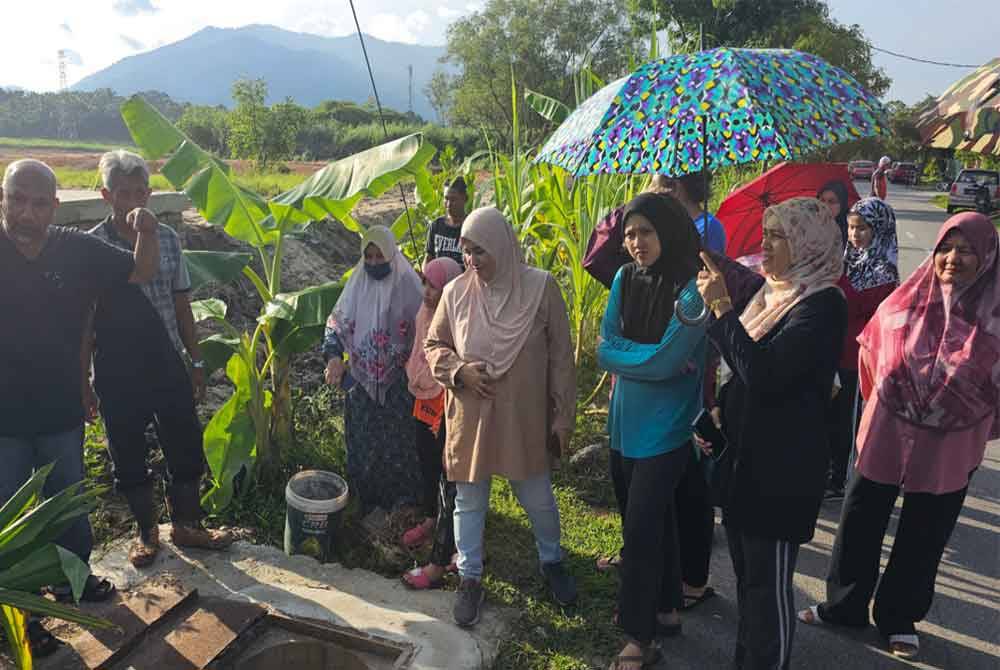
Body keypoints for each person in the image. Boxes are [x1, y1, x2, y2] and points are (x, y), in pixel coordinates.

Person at [799, 212, 1000, 660]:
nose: (953, 258)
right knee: (860, 516)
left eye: (966, 250)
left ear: (987, 257)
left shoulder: (995, 320)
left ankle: (898, 617)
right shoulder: (903, 302)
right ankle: (843, 605)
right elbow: (870, 357)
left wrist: (964, 423)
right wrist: (893, 404)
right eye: (946, 248)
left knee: (925, 530)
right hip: (887, 429)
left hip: (951, 445)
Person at [0, 158, 159, 655]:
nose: (26, 213)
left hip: (61, 412)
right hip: (3, 421)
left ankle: (72, 581)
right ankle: (23, 617)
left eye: (38, 203)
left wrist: (147, 230)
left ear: (55, 207)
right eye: (16, 200)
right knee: (9, 522)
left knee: (69, 507)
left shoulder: (75, 249)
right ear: (2, 198)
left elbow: (140, 270)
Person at [696, 197, 847, 670]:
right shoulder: (771, 294)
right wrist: (719, 406)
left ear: (808, 243)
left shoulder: (822, 304)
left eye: (778, 236)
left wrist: (723, 307)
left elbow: (764, 373)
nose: (766, 244)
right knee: (747, 583)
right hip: (744, 460)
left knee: (768, 589)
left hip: (781, 471)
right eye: (765, 233)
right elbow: (738, 366)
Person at [425, 207, 576, 627]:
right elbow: (433, 346)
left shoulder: (541, 288)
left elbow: (562, 358)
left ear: (502, 247)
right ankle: (469, 577)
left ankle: (552, 561)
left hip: (522, 417)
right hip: (471, 416)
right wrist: (460, 371)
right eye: (466, 251)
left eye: (480, 251)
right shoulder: (455, 292)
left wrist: (562, 417)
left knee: (537, 497)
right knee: (469, 500)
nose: (471, 260)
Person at [84, 150, 233, 568]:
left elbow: (182, 304)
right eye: (122, 193)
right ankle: (147, 533)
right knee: (127, 451)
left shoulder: (167, 238)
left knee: (184, 441)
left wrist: (196, 361)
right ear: (106, 195)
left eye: (139, 192)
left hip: (166, 359)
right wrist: (84, 380)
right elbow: (86, 320)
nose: (133, 201)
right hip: (116, 364)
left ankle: (187, 524)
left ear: (149, 193)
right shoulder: (92, 245)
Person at [597, 193, 707, 670]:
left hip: (667, 428)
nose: (635, 242)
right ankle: (666, 609)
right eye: (629, 233)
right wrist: (649, 357)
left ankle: (638, 636)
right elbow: (605, 346)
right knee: (648, 519)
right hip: (625, 422)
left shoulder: (694, 292)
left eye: (645, 232)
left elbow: (665, 363)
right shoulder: (625, 278)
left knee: (641, 529)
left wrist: (632, 356)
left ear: (669, 231)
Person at [323, 226, 424, 513]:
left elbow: (427, 329)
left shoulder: (409, 284)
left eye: (380, 256)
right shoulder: (357, 284)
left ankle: (404, 507)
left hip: (400, 384)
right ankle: (365, 503)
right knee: (364, 443)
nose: (374, 262)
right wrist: (334, 358)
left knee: (400, 444)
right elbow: (335, 325)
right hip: (360, 380)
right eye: (368, 256)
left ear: (391, 254)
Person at [825, 198, 899, 500]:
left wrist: (837, 278)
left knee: (846, 419)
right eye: (852, 228)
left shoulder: (883, 271)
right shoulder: (848, 259)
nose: (855, 235)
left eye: (863, 228)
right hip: (832, 350)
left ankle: (841, 478)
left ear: (879, 230)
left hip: (856, 358)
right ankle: (829, 470)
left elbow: (852, 304)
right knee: (830, 416)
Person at [399, 256, 463, 589]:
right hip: (422, 397)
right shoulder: (423, 313)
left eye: (434, 286)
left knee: (448, 472)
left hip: (447, 403)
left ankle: (453, 539)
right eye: (424, 283)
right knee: (426, 460)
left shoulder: (458, 318)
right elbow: (417, 354)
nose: (427, 291)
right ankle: (430, 518)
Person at [584, 174, 726, 290]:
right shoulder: (654, 225)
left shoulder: (708, 228)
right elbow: (596, 260)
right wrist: (636, 206)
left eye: (653, 186)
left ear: (673, 188)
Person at [424, 177, 468, 266]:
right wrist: (426, 272)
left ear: (464, 199)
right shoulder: (436, 226)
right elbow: (428, 257)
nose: (449, 204)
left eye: (453, 199)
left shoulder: (470, 227)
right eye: (446, 198)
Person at [817, 179, 851, 246]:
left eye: (832, 201)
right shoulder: (811, 224)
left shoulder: (851, 231)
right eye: (822, 200)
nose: (825, 205)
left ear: (842, 204)